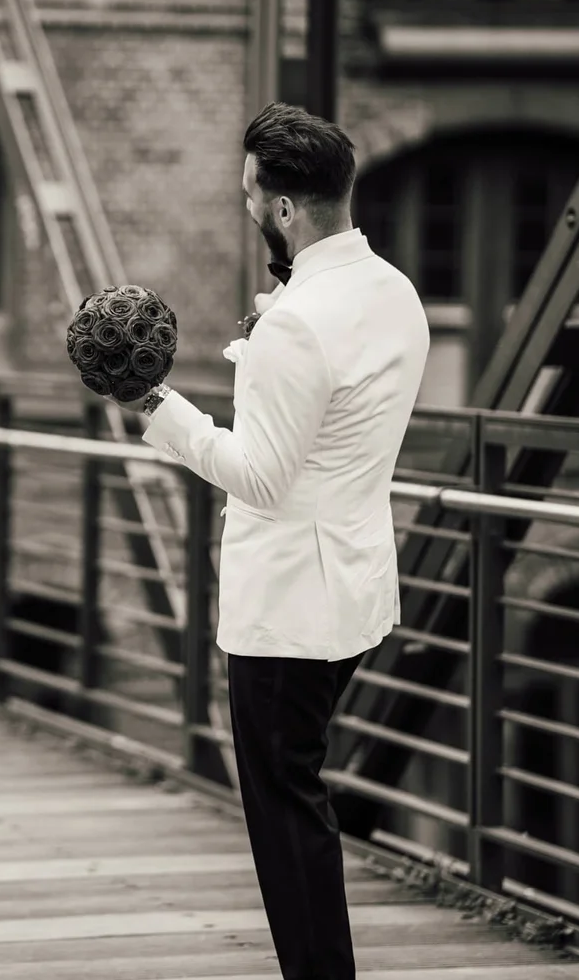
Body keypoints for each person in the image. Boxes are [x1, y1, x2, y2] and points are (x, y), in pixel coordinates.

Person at [130, 104, 429, 978]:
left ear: (285, 208)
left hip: (289, 608)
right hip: (355, 587)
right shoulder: (394, 291)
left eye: (250, 194)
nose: (247, 206)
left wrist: (157, 405)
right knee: (299, 786)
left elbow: (261, 477)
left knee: (284, 803)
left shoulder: (296, 321)